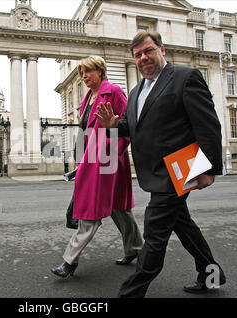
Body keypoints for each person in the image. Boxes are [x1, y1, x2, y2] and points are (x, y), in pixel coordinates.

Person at [95, 31, 226, 297]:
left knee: (154, 235)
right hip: (154, 172)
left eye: (148, 51)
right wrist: (114, 125)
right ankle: (213, 275)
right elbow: (135, 126)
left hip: (180, 167)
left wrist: (209, 168)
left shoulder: (185, 77)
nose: (144, 57)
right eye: (138, 54)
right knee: (183, 225)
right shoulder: (136, 91)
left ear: (161, 50)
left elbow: (208, 125)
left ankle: (130, 292)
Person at [51, 56, 143, 278]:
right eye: (82, 73)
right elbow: (84, 132)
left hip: (108, 160)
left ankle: (69, 261)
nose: (84, 76)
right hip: (91, 159)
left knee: (90, 210)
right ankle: (136, 249)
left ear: (100, 71)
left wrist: (111, 151)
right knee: (118, 208)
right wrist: (81, 160)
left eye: (88, 72)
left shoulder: (114, 91)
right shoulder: (86, 100)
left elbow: (127, 126)